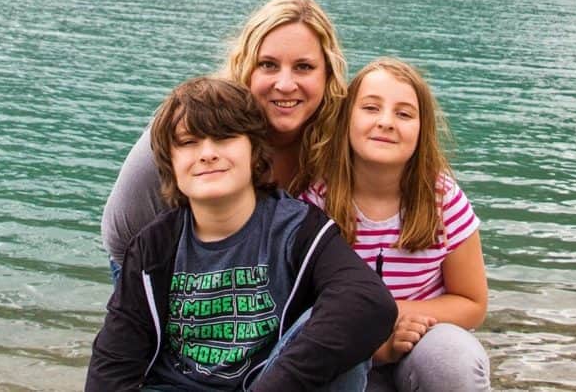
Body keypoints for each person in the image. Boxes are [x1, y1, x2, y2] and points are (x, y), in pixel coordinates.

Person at [86, 77, 397, 391]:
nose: (207, 153)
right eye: (189, 142)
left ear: (254, 150)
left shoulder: (297, 229)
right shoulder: (155, 245)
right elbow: (113, 362)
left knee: (343, 331)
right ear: (170, 161)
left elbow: (369, 302)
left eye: (224, 138)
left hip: (267, 383)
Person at [101, 0, 347, 273]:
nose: (286, 84)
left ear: (327, 74)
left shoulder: (344, 134)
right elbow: (122, 238)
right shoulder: (189, 126)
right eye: (268, 65)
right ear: (246, 67)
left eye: (304, 67)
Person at [303, 58, 491, 392]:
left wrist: (403, 316)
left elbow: (472, 302)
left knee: (452, 358)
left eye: (404, 114)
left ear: (422, 130)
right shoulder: (318, 200)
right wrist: (376, 331)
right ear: (346, 119)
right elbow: (302, 304)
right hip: (346, 347)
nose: (386, 122)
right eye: (371, 108)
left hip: (421, 343)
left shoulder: (441, 198)